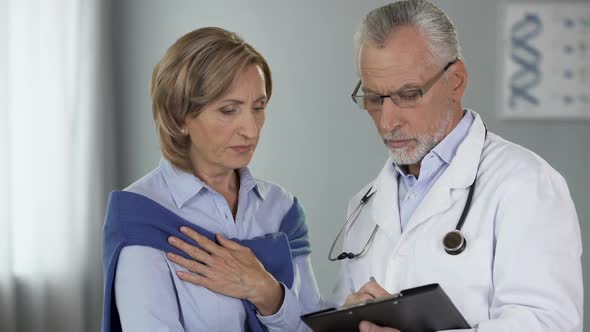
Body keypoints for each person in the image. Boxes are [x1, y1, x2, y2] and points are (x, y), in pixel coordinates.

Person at [331, 1, 583, 331]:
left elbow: (550, 324)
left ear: (456, 81)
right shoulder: (365, 203)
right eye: (375, 99)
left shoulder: (525, 183)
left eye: (408, 94)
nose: (388, 121)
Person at [101, 27, 324, 332]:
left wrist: (267, 292)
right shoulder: (140, 217)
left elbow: (315, 326)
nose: (251, 129)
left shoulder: (281, 209)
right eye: (229, 110)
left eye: (258, 108)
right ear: (179, 118)